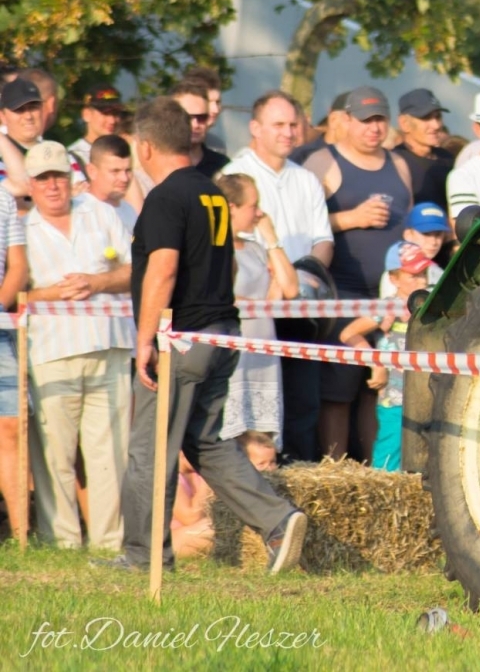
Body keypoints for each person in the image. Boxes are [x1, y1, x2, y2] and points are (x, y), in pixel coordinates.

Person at [103, 98, 306, 574]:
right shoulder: (213, 194)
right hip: (222, 333)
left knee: (150, 448)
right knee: (206, 442)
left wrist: (145, 340)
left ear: (146, 146)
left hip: (183, 339)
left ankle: (142, 556)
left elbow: (163, 269)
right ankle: (278, 520)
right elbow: (228, 264)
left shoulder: (166, 197)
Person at [22, 141, 134, 550]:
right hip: (51, 353)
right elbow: (17, 296)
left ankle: (110, 543)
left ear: (72, 179)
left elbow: (134, 268)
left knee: (111, 455)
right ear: (31, 185)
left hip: (110, 345)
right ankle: (61, 543)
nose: (53, 186)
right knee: (55, 456)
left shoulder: (101, 213)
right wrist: (52, 293)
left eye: (59, 177)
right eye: (43, 179)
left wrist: (96, 281)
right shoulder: (23, 229)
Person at [222, 90, 335, 463]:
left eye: (293, 124)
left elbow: (322, 240)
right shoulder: (235, 177)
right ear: (255, 127)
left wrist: (305, 275)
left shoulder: (306, 179)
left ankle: (298, 482)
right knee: (247, 415)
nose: (288, 132)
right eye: (278, 125)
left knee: (303, 405)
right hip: (251, 315)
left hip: (300, 306)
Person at [302, 87, 411, 463]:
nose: (374, 128)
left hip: (389, 297)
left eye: (380, 119)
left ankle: (374, 470)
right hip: (342, 293)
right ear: (344, 121)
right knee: (339, 389)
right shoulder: (323, 163)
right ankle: (335, 468)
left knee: (378, 390)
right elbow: (303, 226)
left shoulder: (398, 164)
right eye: (366, 121)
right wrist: (352, 218)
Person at [215, 174, 300, 454]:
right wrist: (256, 304)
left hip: (263, 355)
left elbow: (289, 289)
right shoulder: (214, 249)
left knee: (262, 441)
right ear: (231, 208)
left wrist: (271, 238)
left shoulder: (254, 248)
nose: (259, 212)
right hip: (233, 356)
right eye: (254, 205)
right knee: (233, 437)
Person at [348, 241, 430, 472]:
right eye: (413, 276)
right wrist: (377, 363)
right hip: (394, 397)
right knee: (389, 454)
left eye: (423, 273)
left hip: (426, 395)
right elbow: (349, 334)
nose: (422, 281)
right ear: (394, 279)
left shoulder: (432, 305)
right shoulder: (387, 307)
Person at [0, 186, 26, 538]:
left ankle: (22, 540)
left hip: (0, 329)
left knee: (11, 428)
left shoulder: (4, 197)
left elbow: (17, 267)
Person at [393, 88, 455, 212]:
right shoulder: (394, 162)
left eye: (438, 117)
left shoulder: (448, 159)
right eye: (426, 118)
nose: (436, 125)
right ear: (404, 123)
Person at [379, 204, 448, 298]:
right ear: (408, 235)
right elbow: (391, 308)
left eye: (438, 235)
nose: (433, 242)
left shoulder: (439, 272)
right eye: (426, 234)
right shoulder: (395, 274)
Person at [171, 82, 230, 178]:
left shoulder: (223, 167)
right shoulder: (157, 162)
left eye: (202, 117)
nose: (195, 125)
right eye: (188, 117)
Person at [67, 85, 128, 172]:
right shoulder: (72, 157)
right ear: (86, 114)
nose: (112, 121)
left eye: (116, 113)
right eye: (105, 113)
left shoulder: (126, 153)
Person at [85, 135, 137, 232]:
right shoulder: (80, 213)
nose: (124, 178)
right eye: (115, 171)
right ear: (92, 171)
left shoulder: (130, 211)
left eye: (128, 170)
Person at [289, 91, 349, 166]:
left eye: (294, 125)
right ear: (333, 118)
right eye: (349, 119)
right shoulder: (300, 156)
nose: (288, 133)